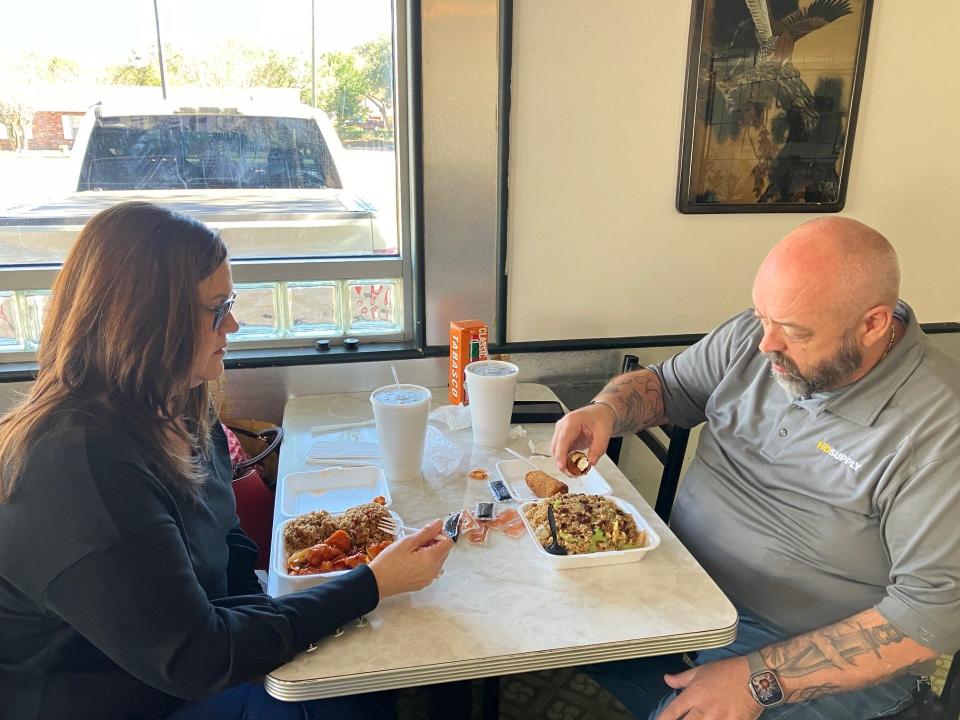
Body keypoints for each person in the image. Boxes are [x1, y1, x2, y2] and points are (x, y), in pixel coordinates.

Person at [0, 201, 453, 720]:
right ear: (145, 320)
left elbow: (227, 534)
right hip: (122, 697)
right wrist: (372, 584)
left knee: (367, 662)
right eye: (217, 309)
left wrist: (271, 618)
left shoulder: (179, 405)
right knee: (342, 696)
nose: (233, 324)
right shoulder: (76, 467)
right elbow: (197, 658)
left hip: (187, 660)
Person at [551, 217, 960, 720]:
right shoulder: (757, 336)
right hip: (684, 588)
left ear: (872, 325)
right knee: (538, 616)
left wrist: (757, 680)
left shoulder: (941, 427)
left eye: (793, 331)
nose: (766, 344)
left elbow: (926, 618)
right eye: (763, 316)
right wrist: (608, 410)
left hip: (808, 649)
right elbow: (669, 387)